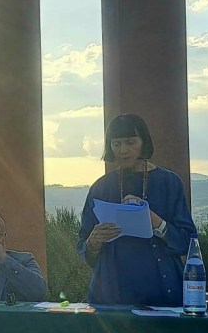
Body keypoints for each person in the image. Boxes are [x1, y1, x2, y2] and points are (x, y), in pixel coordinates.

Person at [77, 113, 197, 306]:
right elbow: (83, 248)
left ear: (144, 142)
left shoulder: (169, 182)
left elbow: (188, 243)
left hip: (162, 294)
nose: (123, 150)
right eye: (116, 144)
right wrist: (93, 242)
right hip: (110, 297)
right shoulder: (100, 187)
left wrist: (157, 223)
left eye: (130, 142)